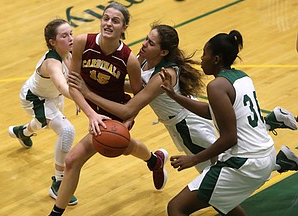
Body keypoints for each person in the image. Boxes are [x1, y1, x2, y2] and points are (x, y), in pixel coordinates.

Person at [69, 23, 297, 174]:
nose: (144, 44)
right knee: (225, 161)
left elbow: (131, 106)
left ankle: (279, 160)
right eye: (146, 39)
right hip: (183, 118)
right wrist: (98, 84)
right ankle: (272, 125)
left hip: (188, 125)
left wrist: (89, 93)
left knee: (219, 171)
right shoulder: (143, 58)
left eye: (150, 42)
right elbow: (138, 90)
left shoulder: (164, 74)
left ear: (164, 52)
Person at [48, 2, 167, 216]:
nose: (108, 23)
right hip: (95, 111)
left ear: (124, 28)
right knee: (125, 146)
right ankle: (154, 160)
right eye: (106, 18)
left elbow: (139, 95)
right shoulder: (84, 42)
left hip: (115, 112)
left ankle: (55, 213)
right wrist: (91, 114)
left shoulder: (129, 60)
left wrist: (129, 118)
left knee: (72, 160)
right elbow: (75, 86)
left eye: (115, 20)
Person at [160, 30, 296, 216]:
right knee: (222, 201)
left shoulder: (216, 87)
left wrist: (194, 159)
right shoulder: (241, 77)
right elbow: (211, 112)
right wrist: (175, 96)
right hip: (266, 156)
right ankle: (275, 128)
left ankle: (275, 122)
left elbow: (229, 138)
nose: (201, 59)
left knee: (176, 207)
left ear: (216, 59)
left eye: (205, 54)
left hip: (244, 163)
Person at [8, 19, 78, 205]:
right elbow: (63, 87)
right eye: (64, 36)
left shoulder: (69, 53)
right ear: (52, 42)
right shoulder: (52, 63)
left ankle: (22, 132)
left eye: (71, 33)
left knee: (44, 123)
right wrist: (82, 99)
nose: (71, 38)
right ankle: (59, 182)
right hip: (35, 99)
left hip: (52, 97)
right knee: (67, 131)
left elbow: (73, 78)